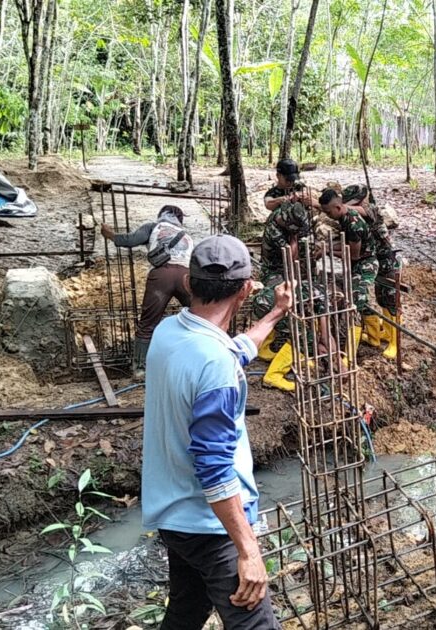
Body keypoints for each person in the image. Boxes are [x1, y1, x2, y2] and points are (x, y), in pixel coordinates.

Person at [142, 234, 291, 629]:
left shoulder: (169, 333)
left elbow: (233, 349)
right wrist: (248, 550)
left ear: (188, 283)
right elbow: (214, 467)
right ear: (245, 290)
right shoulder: (217, 367)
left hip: (174, 516)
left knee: (186, 613)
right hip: (210, 528)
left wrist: (275, 315)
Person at [101, 205, 193, 377]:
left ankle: (141, 368)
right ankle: (196, 360)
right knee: (198, 319)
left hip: (161, 276)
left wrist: (110, 235)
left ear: (161, 215)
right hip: (186, 277)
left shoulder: (154, 227)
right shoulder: (186, 235)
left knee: (147, 324)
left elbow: (130, 240)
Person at [253, 200, 322, 391]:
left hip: (275, 286)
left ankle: (272, 347)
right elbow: (291, 256)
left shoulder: (289, 216)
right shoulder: (274, 229)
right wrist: (320, 346)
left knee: (298, 318)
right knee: (301, 335)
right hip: (274, 271)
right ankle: (273, 373)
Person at [318, 188, 379, 362]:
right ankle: (374, 337)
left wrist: (328, 251)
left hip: (365, 264)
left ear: (337, 207)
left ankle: (350, 355)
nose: (328, 216)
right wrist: (328, 248)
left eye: (329, 212)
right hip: (357, 263)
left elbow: (352, 254)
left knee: (356, 302)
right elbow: (346, 244)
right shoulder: (344, 217)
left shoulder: (352, 223)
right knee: (363, 301)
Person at [342, 184, 402, 361]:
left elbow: (357, 210)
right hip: (372, 260)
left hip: (387, 261)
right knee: (379, 298)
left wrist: (336, 206)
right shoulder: (355, 217)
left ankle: (395, 342)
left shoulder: (372, 210)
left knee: (391, 302)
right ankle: (376, 337)